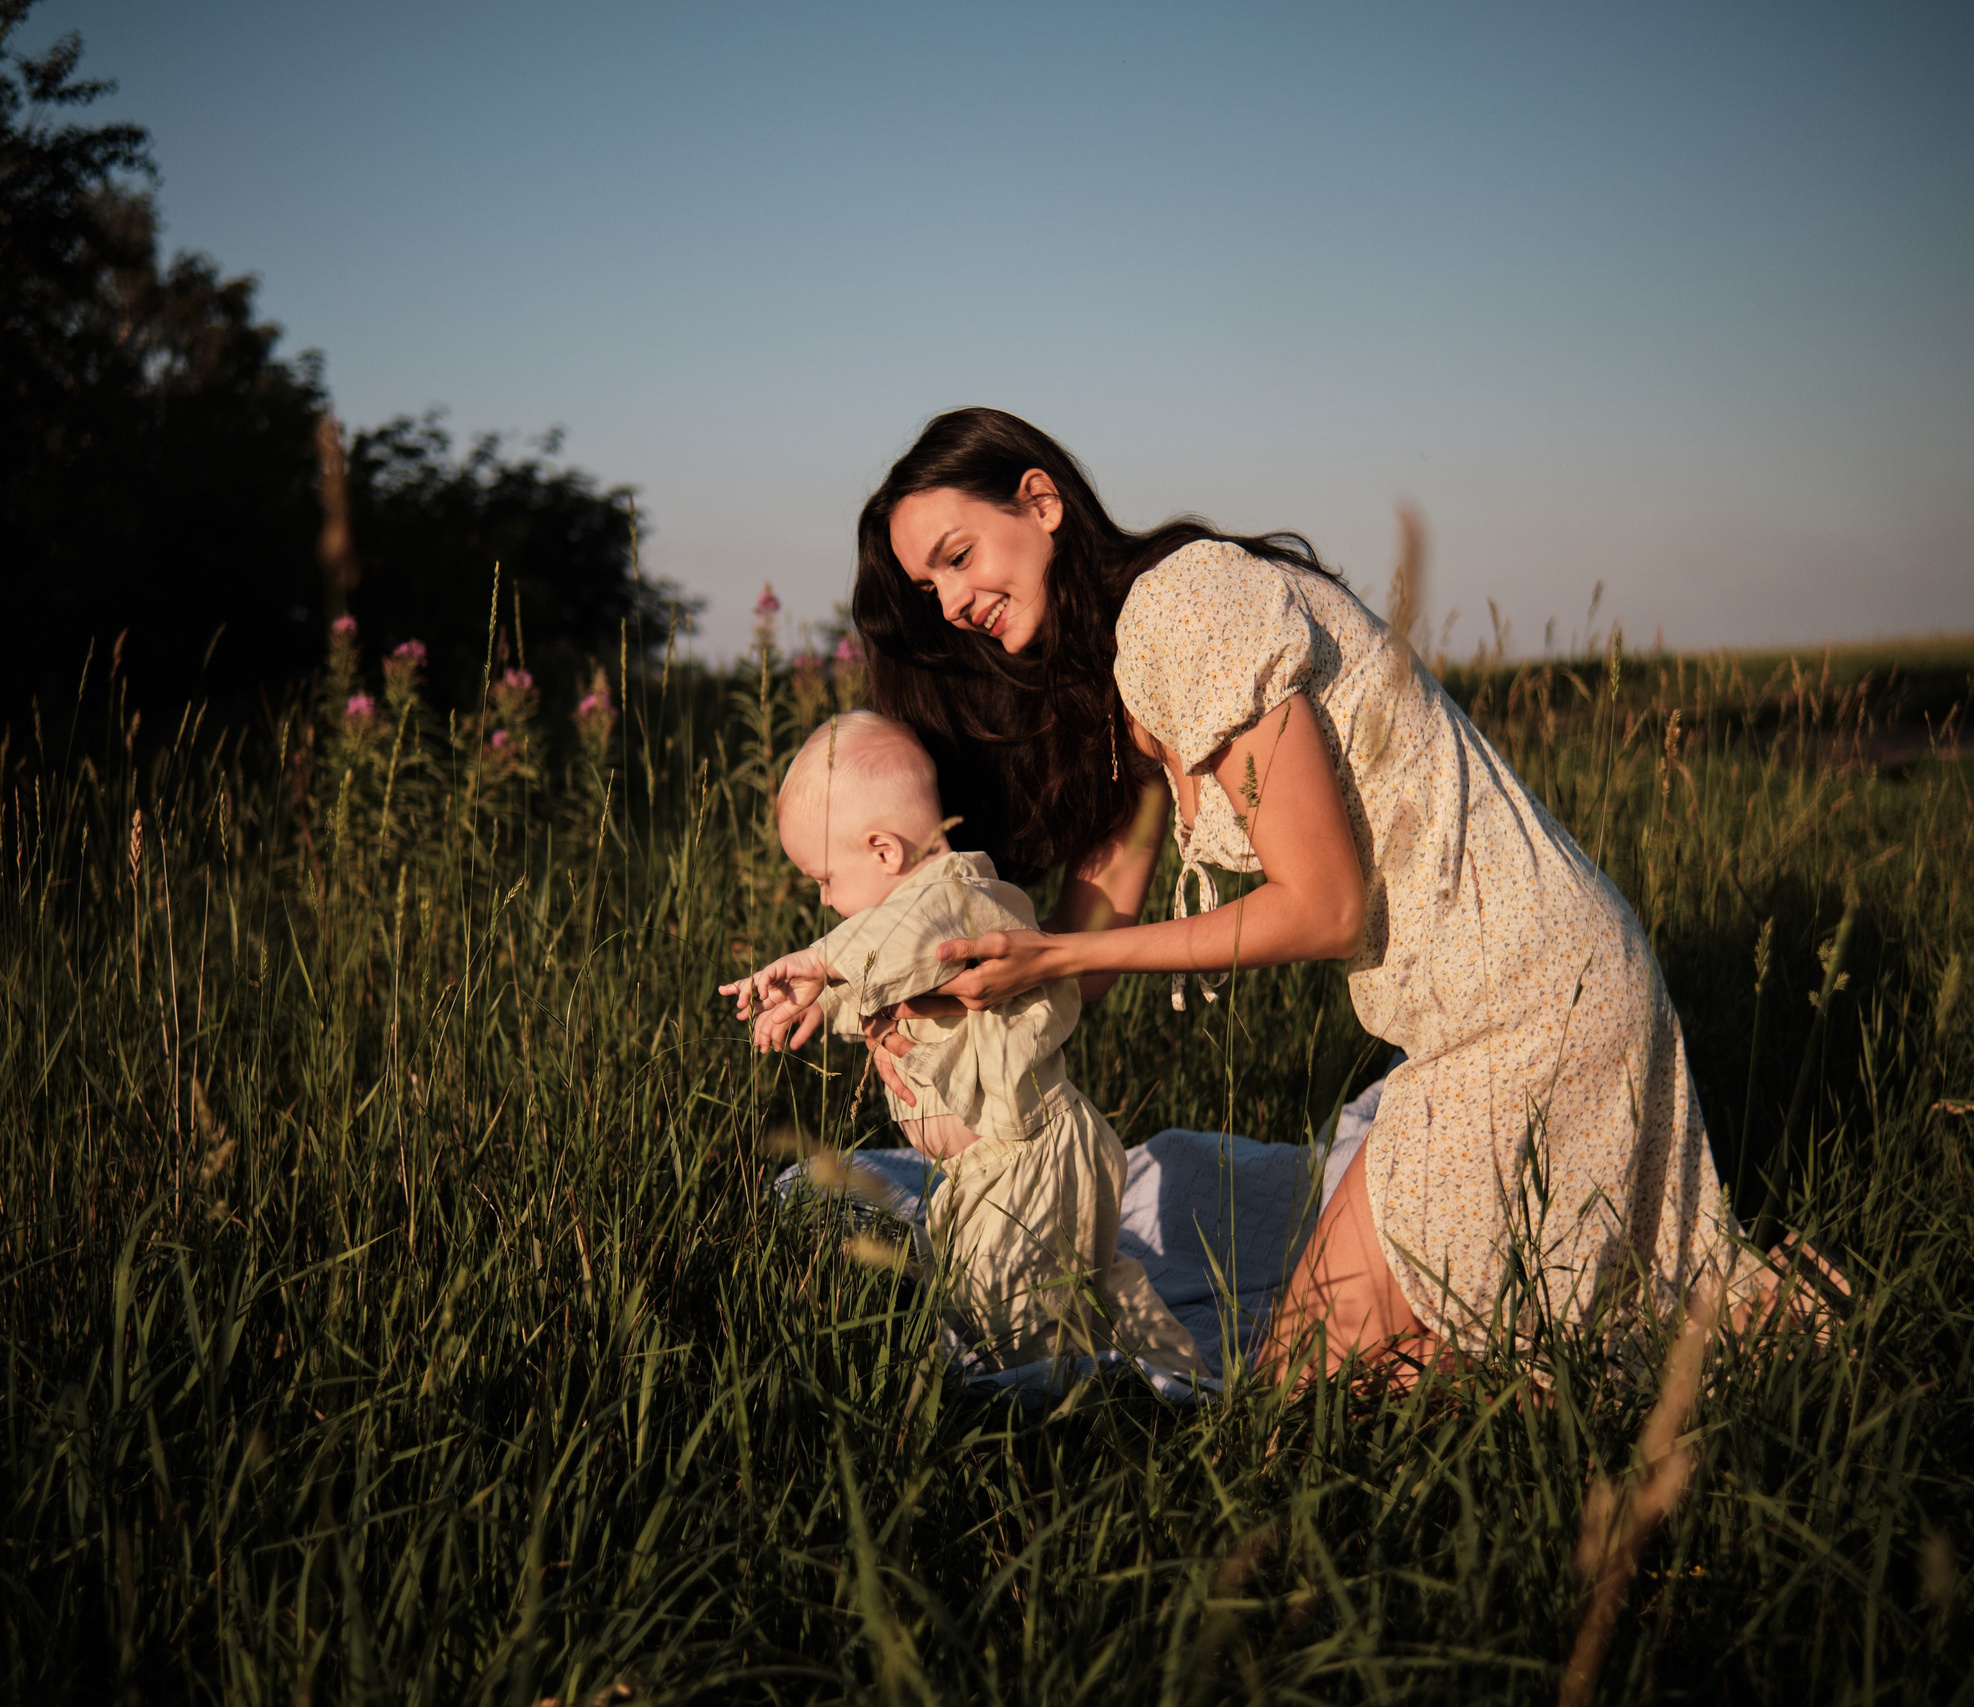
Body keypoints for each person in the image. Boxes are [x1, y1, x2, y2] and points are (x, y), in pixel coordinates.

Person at [847, 407, 1792, 1391]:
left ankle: (1747, 1343)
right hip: (1481, 1015)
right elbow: (1073, 956)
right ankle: (1757, 1326)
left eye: (958, 557)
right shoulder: (1127, 680)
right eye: (930, 587)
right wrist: (925, 1006)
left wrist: (1060, 960)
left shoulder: (1188, 606)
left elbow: (1324, 908)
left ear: (1040, 501)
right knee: (1352, 1374)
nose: (952, 601)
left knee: (1289, 1397)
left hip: (1527, 1002)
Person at [721, 712, 1205, 1376]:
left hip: (1029, 1158)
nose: (824, 899)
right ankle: (1177, 1370)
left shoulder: (959, 897)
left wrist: (819, 961)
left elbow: (913, 942)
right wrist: (821, 996)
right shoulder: (895, 937)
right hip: (986, 1171)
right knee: (1081, 1284)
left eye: (824, 879)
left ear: (884, 850)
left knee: (1013, 1324)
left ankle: (1074, 1410)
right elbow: (888, 971)